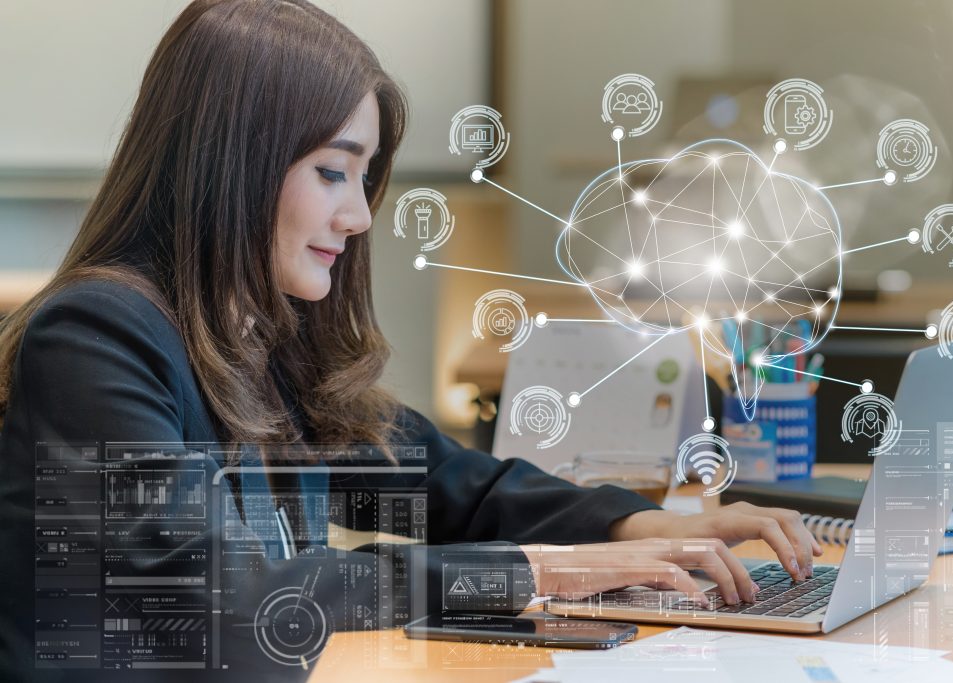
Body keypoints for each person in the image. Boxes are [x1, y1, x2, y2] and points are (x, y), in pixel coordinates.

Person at [0, 1, 820, 680]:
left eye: (363, 179)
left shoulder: (259, 340)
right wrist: (539, 571)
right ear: (233, 162)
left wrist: (633, 527)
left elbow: (446, 480)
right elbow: (233, 598)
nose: (357, 217)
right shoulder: (94, 339)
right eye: (332, 171)